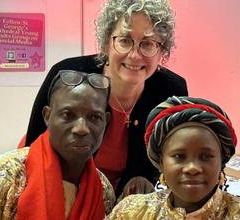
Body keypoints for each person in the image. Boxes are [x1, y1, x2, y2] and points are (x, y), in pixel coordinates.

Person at [22, 0, 188, 199]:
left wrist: (146, 176)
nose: (135, 55)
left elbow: (169, 151)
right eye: (124, 40)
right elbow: (33, 145)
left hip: (123, 201)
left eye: (148, 44)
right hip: (62, 185)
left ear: (162, 51)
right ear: (106, 43)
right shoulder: (66, 76)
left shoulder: (171, 90)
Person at [105, 96, 240, 219]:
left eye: (206, 156)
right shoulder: (131, 212)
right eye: (179, 156)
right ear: (160, 162)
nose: (193, 167)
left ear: (221, 163)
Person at [0, 70, 115, 219]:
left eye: (95, 117)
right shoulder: (7, 174)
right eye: (68, 115)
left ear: (106, 122)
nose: (81, 129)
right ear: (47, 116)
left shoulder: (103, 189)